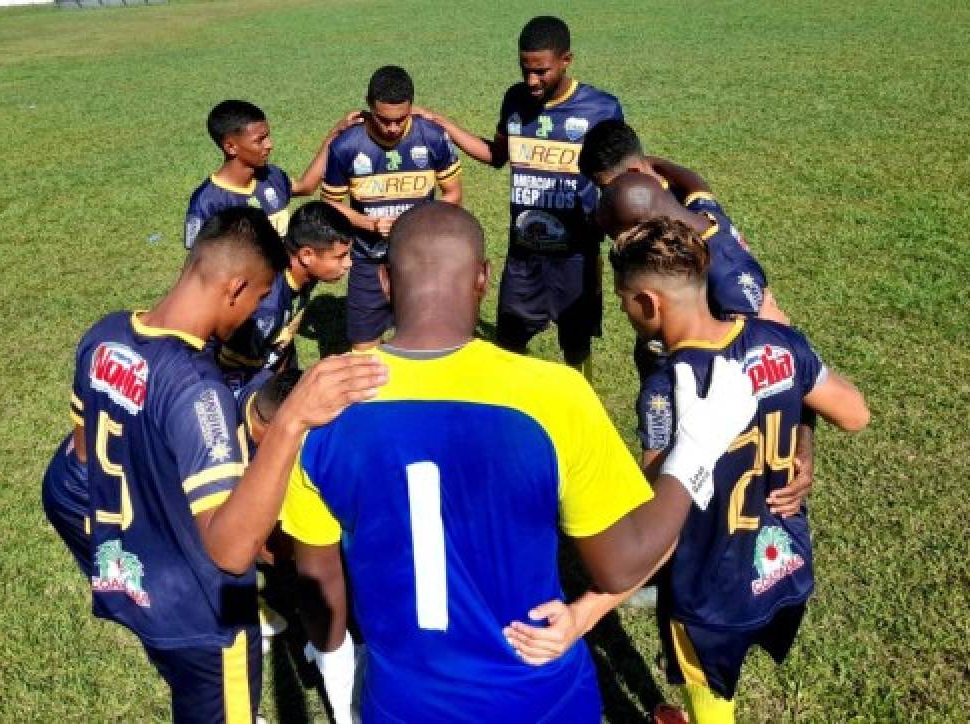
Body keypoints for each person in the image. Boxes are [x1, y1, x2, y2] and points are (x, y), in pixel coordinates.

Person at [281, 202, 760, 723]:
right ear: (483, 279)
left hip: (402, 701)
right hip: (538, 698)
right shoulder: (554, 395)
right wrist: (695, 448)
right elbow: (624, 562)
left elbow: (317, 580)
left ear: (385, 282)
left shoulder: (323, 403)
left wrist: (336, 669)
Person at [46, 206, 387, 723]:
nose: (255, 313)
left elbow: (83, 455)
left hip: (134, 578)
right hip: (201, 616)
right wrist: (291, 421)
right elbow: (230, 551)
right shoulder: (198, 392)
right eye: (257, 296)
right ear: (235, 288)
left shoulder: (105, 335)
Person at [613, 217, 868, 723]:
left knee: (711, 698)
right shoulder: (780, 343)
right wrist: (802, 434)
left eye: (622, 296)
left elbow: (661, 497)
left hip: (710, 587)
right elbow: (856, 414)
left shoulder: (670, 387)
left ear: (647, 303)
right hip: (780, 563)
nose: (622, 307)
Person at [414, 16, 623, 378]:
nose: (531, 80)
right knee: (510, 343)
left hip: (576, 257)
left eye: (541, 71)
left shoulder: (601, 109)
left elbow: (620, 177)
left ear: (566, 60)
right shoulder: (514, 99)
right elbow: (497, 155)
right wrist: (442, 123)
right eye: (525, 69)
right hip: (524, 256)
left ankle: (582, 404)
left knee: (576, 347)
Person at [579, 119, 787, 324]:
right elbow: (696, 185)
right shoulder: (698, 212)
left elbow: (759, 342)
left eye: (606, 188)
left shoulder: (726, 276)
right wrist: (655, 164)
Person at [320, 65, 463, 349]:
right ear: (370, 109)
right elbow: (330, 203)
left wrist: (412, 222)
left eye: (401, 119)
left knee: (424, 342)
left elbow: (454, 194)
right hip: (367, 260)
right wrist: (369, 224)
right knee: (364, 348)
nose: (393, 128)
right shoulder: (346, 147)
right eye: (384, 120)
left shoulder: (432, 137)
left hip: (421, 259)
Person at [216, 201, 354, 394]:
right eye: (340, 257)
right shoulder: (266, 308)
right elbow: (235, 371)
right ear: (306, 255)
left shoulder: (304, 274)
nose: (348, 263)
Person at [183, 100, 359, 248]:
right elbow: (200, 264)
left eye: (267, 136)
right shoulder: (207, 202)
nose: (269, 145)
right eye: (259, 140)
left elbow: (306, 186)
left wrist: (336, 133)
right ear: (230, 147)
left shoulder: (270, 175)